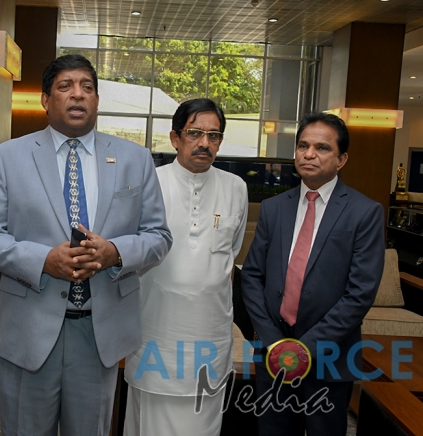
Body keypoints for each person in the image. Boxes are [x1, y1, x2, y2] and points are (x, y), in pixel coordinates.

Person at [0, 54, 172, 436]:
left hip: (100, 333)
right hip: (30, 330)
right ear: (46, 100)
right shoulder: (9, 156)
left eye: (87, 87)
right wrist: (43, 260)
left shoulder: (135, 159)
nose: (77, 94)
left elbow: (159, 236)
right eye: (65, 86)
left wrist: (115, 253)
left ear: (97, 100)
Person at [241, 112, 385, 436]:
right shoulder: (274, 208)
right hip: (273, 354)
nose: (309, 154)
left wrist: (303, 349)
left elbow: (360, 293)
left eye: (322, 148)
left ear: (342, 159)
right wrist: (275, 343)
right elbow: (251, 276)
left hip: (329, 357)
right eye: (303, 145)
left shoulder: (365, 212)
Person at [123, 98, 248, 435]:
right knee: (150, 421)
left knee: (203, 420)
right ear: (175, 138)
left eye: (214, 135)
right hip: (156, 334)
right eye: (195, 133)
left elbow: (230, 253)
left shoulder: (236, 188)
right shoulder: (149, 184)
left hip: (210, 337)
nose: (204, 142)